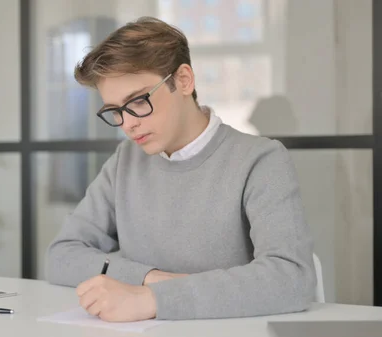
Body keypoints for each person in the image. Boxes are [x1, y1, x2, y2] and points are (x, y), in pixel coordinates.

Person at [45, 16, 316, 322]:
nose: (128, 123)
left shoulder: (261, 160)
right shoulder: (125, 161)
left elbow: (291, 278)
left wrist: (151, 300)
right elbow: (62, 255)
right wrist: (149, 278)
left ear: (184, 80)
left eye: (137, 101)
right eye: (115, 111)